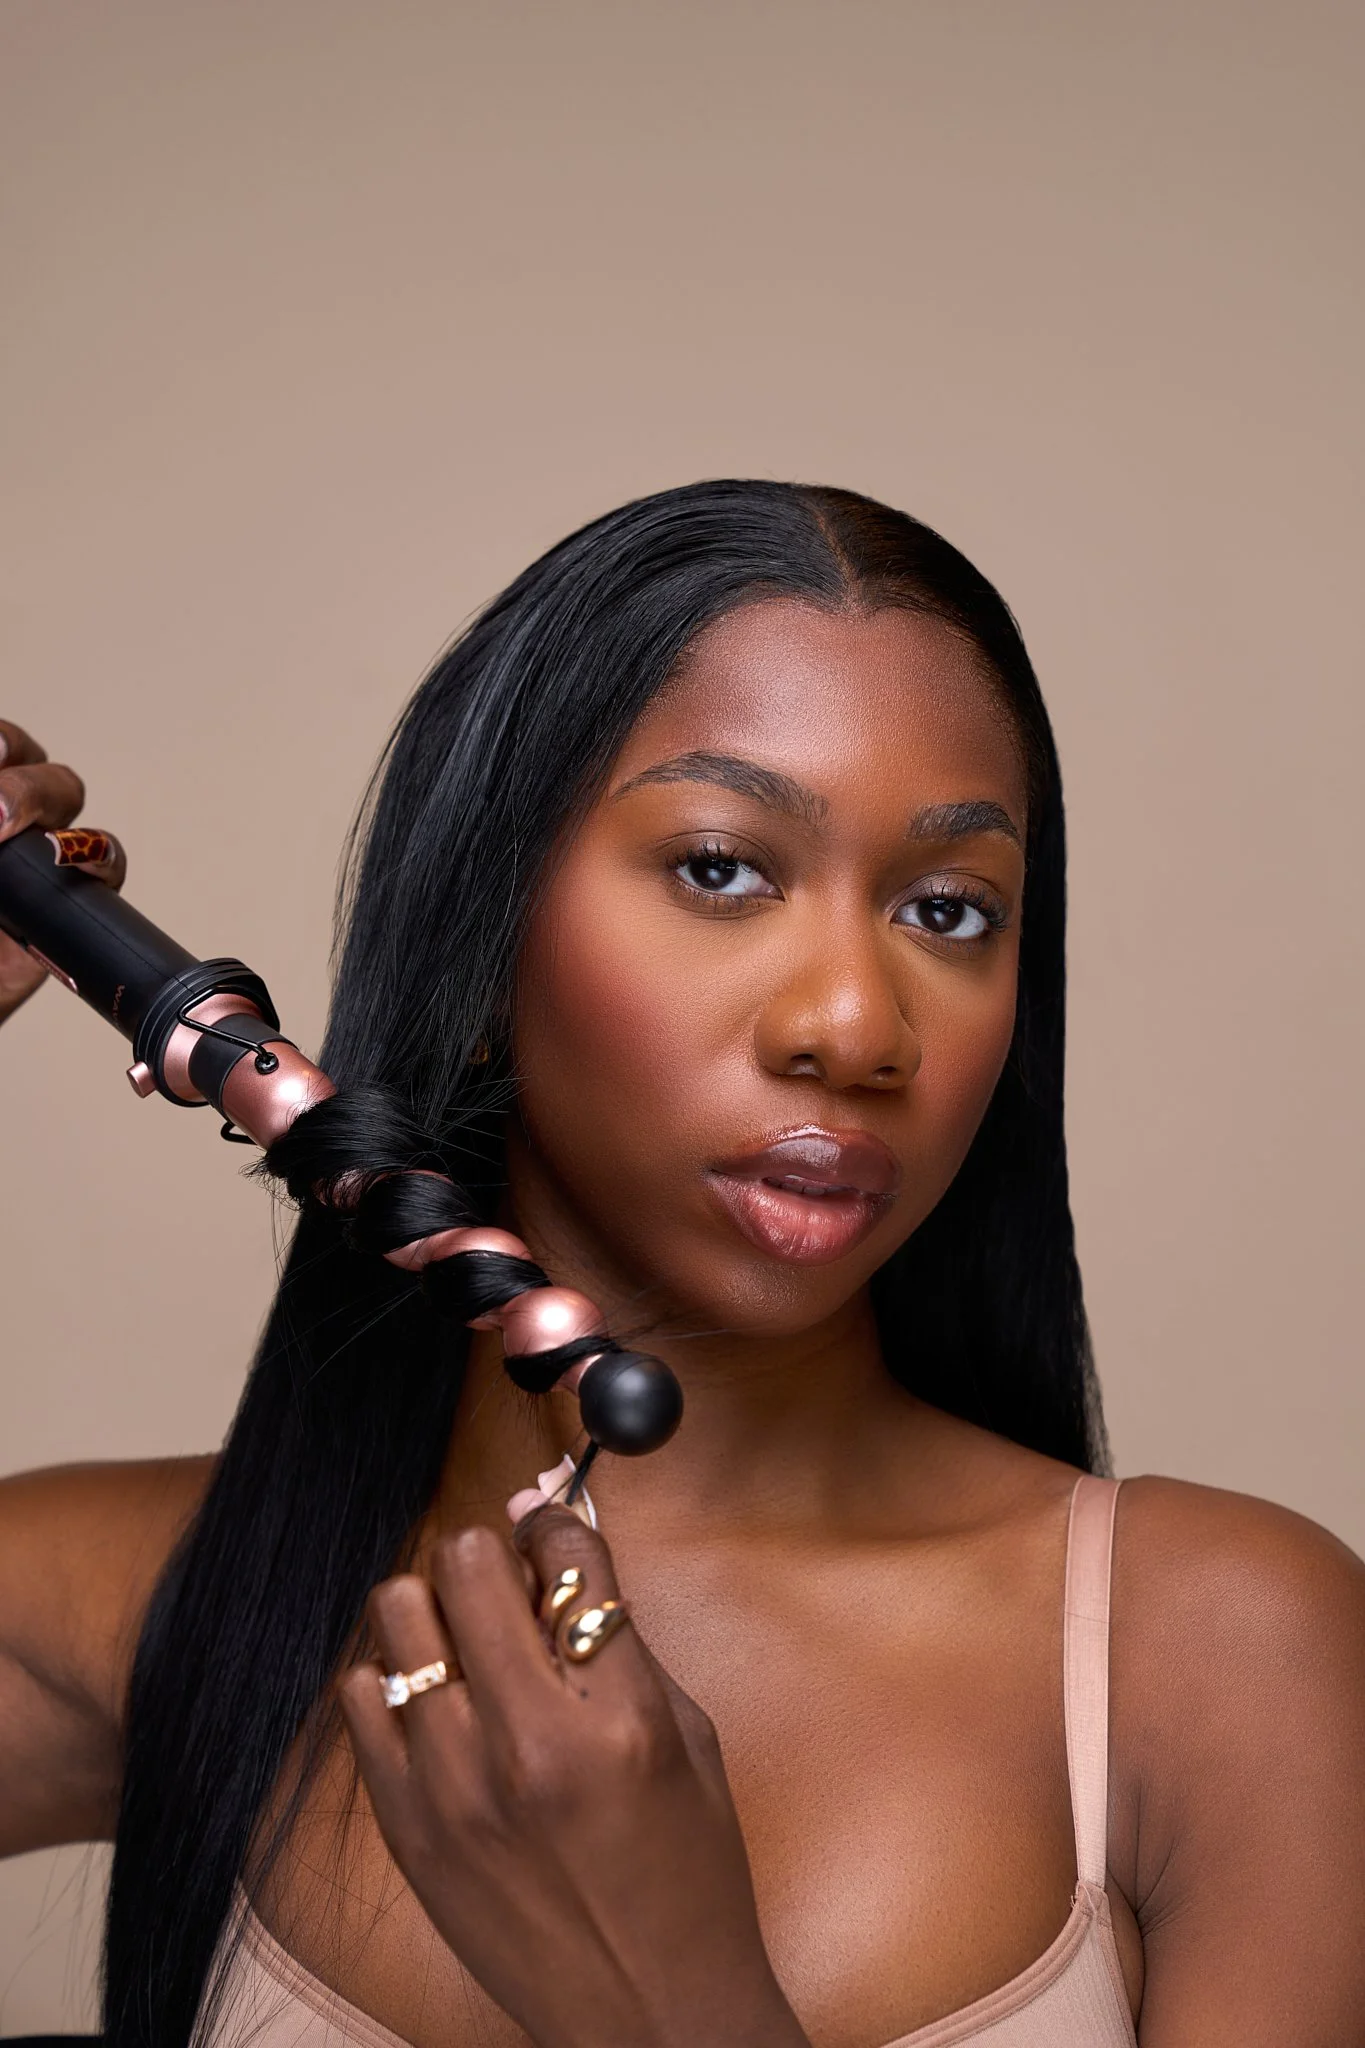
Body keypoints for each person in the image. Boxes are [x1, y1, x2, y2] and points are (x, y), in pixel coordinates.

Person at [1, 481, 1362, 2048]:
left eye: (948, 908)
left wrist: (673, 2003)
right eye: (723, 867)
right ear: (487, 937)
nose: (855, 1026)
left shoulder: (1219, 1661)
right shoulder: (173, 1601)